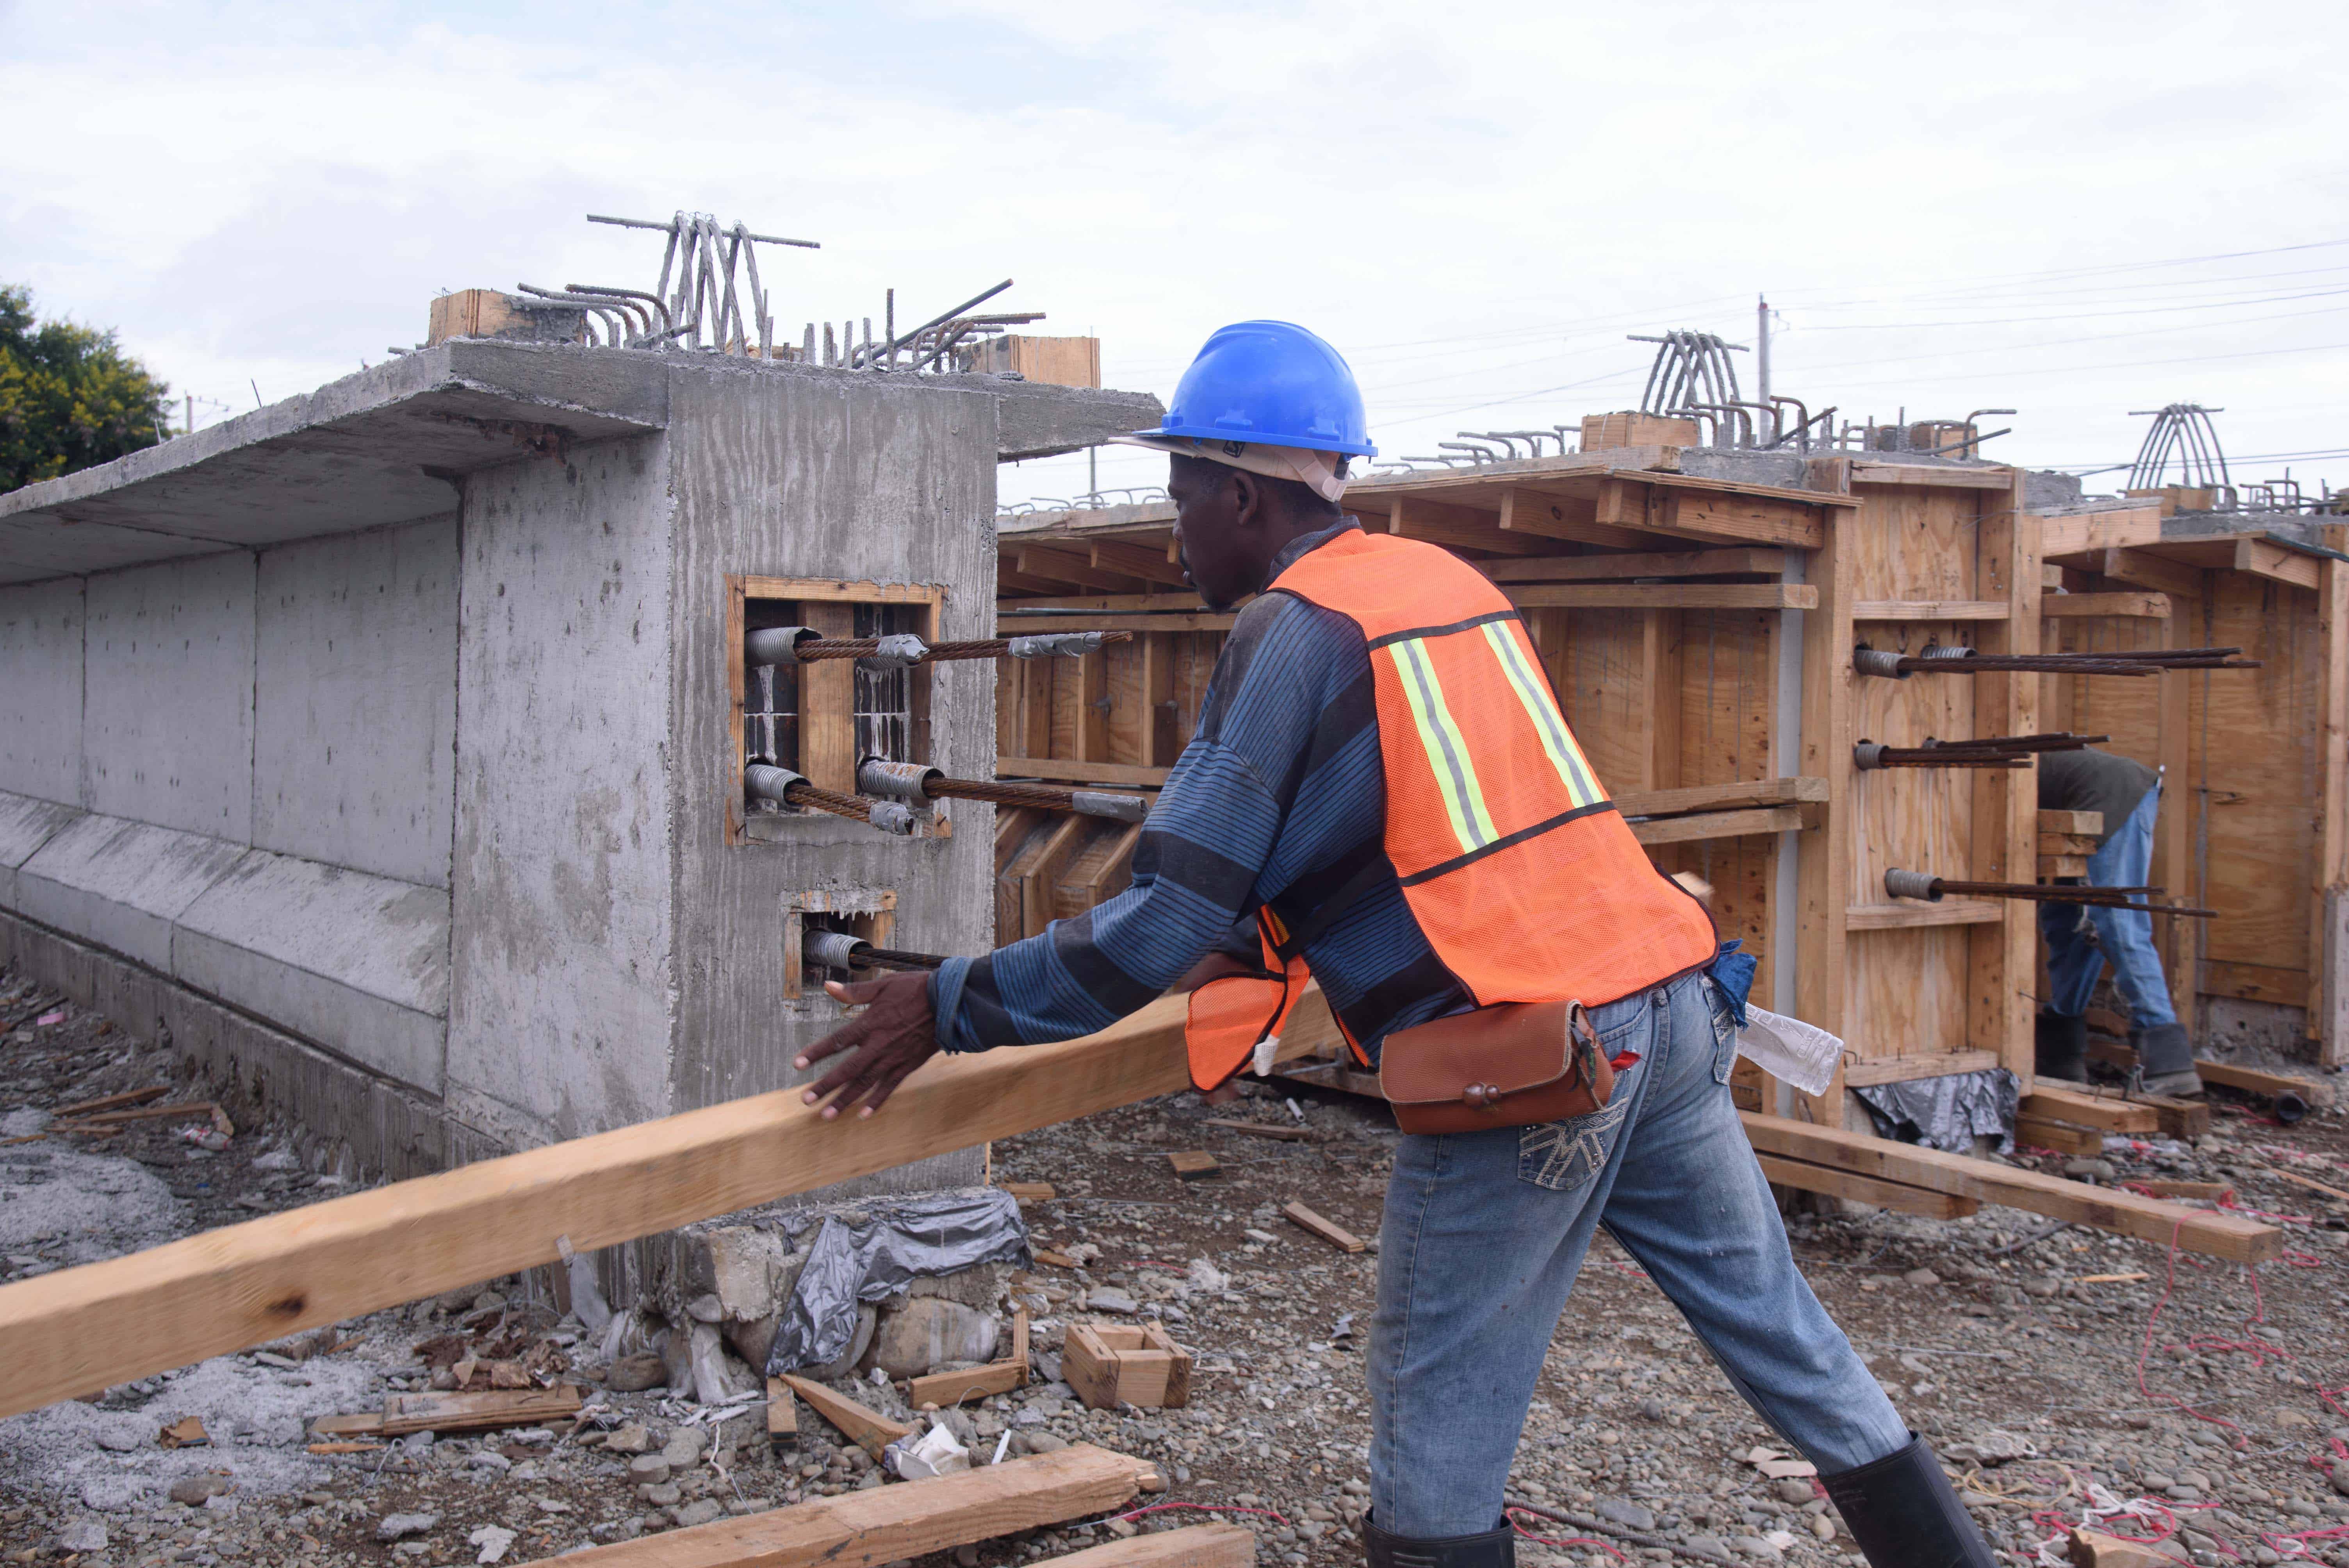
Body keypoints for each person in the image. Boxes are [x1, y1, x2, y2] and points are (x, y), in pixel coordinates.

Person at [792, 322, 1994, 1568]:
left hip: (1527, 1053)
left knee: (1439, 1414)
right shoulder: (1444, 586)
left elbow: (1159, 920)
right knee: (1779, 1332)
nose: (1175, 529)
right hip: (1667, 1002)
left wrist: (947, 1003)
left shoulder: (1293, 630)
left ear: (1245, 495)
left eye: (1184, 495)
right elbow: (1423, 830)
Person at [2034, 747, 2201, 1096]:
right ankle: (2062, 1055)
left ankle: (2170, 1061)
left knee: (2115, 920)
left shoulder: (1977, 778)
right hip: (2073, 805)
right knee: (2065, 921)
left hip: (2113, 795)